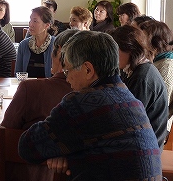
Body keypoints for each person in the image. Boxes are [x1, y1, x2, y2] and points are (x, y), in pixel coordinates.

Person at [18, 31, 162, 180]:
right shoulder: (129, 98)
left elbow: (28, 147)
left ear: (88, 69)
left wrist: (64, 153)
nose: (67, 79)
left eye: (68, 70)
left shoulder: (83, 103)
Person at [0, 30, 76, 181]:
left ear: (59, 54)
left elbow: (1, 138)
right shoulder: (95, 96)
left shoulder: (30, 89)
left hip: (27, 174)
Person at [110, 25, 168, 150]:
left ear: (129, 49)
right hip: (139, 141)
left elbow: (128, 120)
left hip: (146, 149)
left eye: (115, 50)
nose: (113, 56)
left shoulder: (142, 77)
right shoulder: (134, 69)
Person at [139, 20, 173, 143]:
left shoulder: (166, 65)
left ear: (156, 41)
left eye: (143, 38)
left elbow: (162, 104)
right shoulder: (155, 60)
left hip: (157, 128)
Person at [15, 6, 55, 78]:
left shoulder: (56, 45)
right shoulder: (23, 45)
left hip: (48, 87)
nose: (30, 24)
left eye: (35, 21)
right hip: (27, 87)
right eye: (30, 20)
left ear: (47, 25)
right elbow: (18, 73)